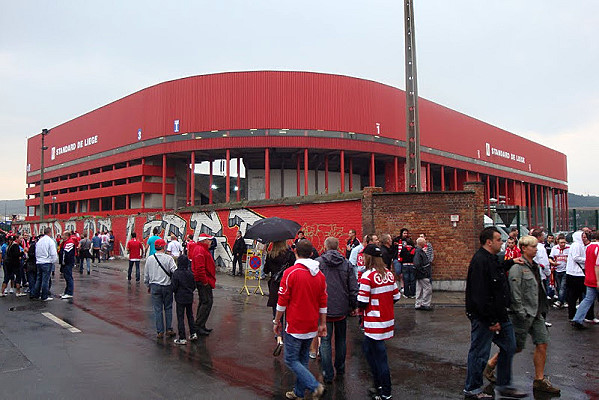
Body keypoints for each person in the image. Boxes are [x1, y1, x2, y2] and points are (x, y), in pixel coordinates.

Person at [463, 227, 526, 400]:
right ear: (489, 242)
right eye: (499, 239)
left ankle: (504, 384)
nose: (502, 242)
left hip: (499, 314)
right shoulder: (479, 261)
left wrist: (512, 261)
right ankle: (473, 389)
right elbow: (479, 295)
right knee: (479, 353)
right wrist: (491, 320)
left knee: (509, 346)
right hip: (485, 317)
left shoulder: (492, 259)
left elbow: (498, 267)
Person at [273, 239, 326, 400]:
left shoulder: (290, 273)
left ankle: (315, 386)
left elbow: (282, 301)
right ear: (311, 254)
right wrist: (322, 323)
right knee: (302, 359)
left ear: (295, 252)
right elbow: (323, 301)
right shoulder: (320, 275)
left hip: (295, 324)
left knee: (290, 359)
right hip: (311, 324)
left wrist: (276, 321)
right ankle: (298, 392)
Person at [508, 235, 560, 394]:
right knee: (515, 347)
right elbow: (515, 292)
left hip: (537, 312)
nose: (536, 249)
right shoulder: (517, 267)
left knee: (542, 342)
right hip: (523, 313)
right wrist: (520, 311)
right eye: (533, 247)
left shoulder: (534, 266)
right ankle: (491, 365)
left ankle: (539, 380)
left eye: (536, 247)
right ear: (524, 248)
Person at [358, 243, 401, 400]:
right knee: (369, 351)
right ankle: (379, 385)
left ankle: (385, 391)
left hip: (373, 321)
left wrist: (358, 308)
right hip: (386, 319)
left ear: (368, 258)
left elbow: (362, 300)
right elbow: (396, 296)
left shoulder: (367, 276)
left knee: (379, 356)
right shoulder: (389, 274)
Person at [316, 237, 358, 384]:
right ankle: (340, 368)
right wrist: (353, 306)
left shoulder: (318, 263)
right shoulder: (346, 264)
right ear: (338, 247)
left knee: (325, 341)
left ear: (326, 246)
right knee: (341, 340)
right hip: (341, 308)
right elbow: (353, 287)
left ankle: (327, 373)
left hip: (324, 309)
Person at [264, 240, 296, 356]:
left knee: (276, 311)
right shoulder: (290, 255)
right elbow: (294, 268)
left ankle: (279, 337)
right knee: (287, 311)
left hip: (274, 285)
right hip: (287, 284)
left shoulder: (270, 255)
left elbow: (265, 270)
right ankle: (287, 336)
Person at [144, 238, 177, 339]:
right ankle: (169, 329)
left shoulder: (150, 259)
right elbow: (174, 271)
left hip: (154, 285)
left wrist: (148, 285)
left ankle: (160, 331)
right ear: (163, 247)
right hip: (167, 286)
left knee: (157, 309)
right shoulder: (169, 258)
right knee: (168, 308)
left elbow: (146, 275)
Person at [571, 231, 599, 329]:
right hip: (597, 277)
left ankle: (577, 318)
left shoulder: (589, 247)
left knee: (587, 299)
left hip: (589, 277)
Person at [565, 231, 593, 321]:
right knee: (587, 295)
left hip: (573, 273)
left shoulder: (575, 245)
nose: (584, 238)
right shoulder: (577, 245)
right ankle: (585, 315)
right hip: (577, 274)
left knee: (574, 296)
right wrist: (588, 260)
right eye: (582, 236)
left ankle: (574, 315)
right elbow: (576, 257)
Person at [192, 233, 216, 336]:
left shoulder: (201, 249)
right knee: (206, 302)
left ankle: (201, 324)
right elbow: (200, 268)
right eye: (209, 240)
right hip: (203, 281)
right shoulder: (200, 250)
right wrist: (205, 281)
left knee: (205, 302)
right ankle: (198, 326)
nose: (211, 242)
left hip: (205, 280)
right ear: (204, 241)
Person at [171, 255, 198, 344]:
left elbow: (174, 287)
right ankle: (193, 333)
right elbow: (194, 285)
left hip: (180, 297)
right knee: (190, 315)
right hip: (189, 297)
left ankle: (182, 337)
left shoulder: (176, 273)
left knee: (180, 317)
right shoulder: (190, 273)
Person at [31, 228, 58, 302]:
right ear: (50, 232)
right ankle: (44, 296)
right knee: (45, 280)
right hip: (47, 262)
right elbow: (53, 253)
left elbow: (36, 252)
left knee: (39, 279)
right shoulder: (50, 241)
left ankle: (36, 294)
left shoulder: (39, 241)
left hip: (39, 262)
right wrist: (53, 261)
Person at [549, 234, 569, 308]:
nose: (563, 244)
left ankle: (559, 301)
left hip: (565, 270)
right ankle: (563, 301)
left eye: (564, 242)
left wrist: (568, 260)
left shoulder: (569, 248)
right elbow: (550, 258)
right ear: (558, 242)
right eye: (561, 243)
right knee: (559, 286)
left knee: (563, 286)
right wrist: (553, 263)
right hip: (557, 270)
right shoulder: (554, 248)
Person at [414, 237, 433, 311]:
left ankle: (418, 304)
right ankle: (425, 304)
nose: (426, 244)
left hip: (419, 274)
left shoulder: (418, 251)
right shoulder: (419, 252)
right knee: (427, 288)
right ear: (421, 243)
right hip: (423, 274)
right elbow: (417, 264)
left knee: (419, 289)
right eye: (424, 242)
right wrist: (424, 272)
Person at [60, 231, 76, 299]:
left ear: (66, 236)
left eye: (63, 235)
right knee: (67, 277)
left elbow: (66, 254)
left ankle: (69, 292)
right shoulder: (65, 242)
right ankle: (66, 291)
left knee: (69, 277)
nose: (62, 236)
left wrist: (63, 262)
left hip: (68, 263)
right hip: (66, 263)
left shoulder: (69, 243)